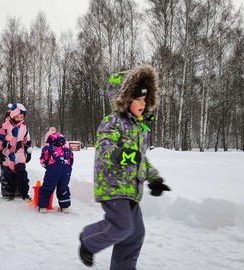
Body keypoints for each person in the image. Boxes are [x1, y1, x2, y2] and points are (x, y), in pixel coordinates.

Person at [78, 64, 171, 269]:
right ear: (125, 100)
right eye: (137, 99)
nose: (142, 103)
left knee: (135, 234)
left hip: (131, 190)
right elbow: (104, 149)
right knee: (122, 226)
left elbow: (140, 159)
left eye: (145, 99)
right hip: (112, 187)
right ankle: (88, 239)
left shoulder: (139, 127)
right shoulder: (112, 122)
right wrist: (122, 154)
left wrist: (154, 179)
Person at [0, 103, 32, 201]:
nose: (19, 118)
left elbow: (27, 140)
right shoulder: (6, 126)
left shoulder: (24, 127)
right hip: (8, 152)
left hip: (19, 152)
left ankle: (24, 193)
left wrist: (28, 151)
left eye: (21, 116)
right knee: (9, 175)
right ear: (12, 115)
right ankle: (10, 192)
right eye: (17, 116)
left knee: (22, 173)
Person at [38, 132, 74, 213]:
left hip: (53, 169)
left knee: (48, 186)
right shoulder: (67, 150)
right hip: (66, 169)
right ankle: (65, 207)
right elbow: (71, 160)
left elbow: (43, 160)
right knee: (63, 187)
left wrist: (47, 166)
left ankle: (43, 207)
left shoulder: (47, 148)